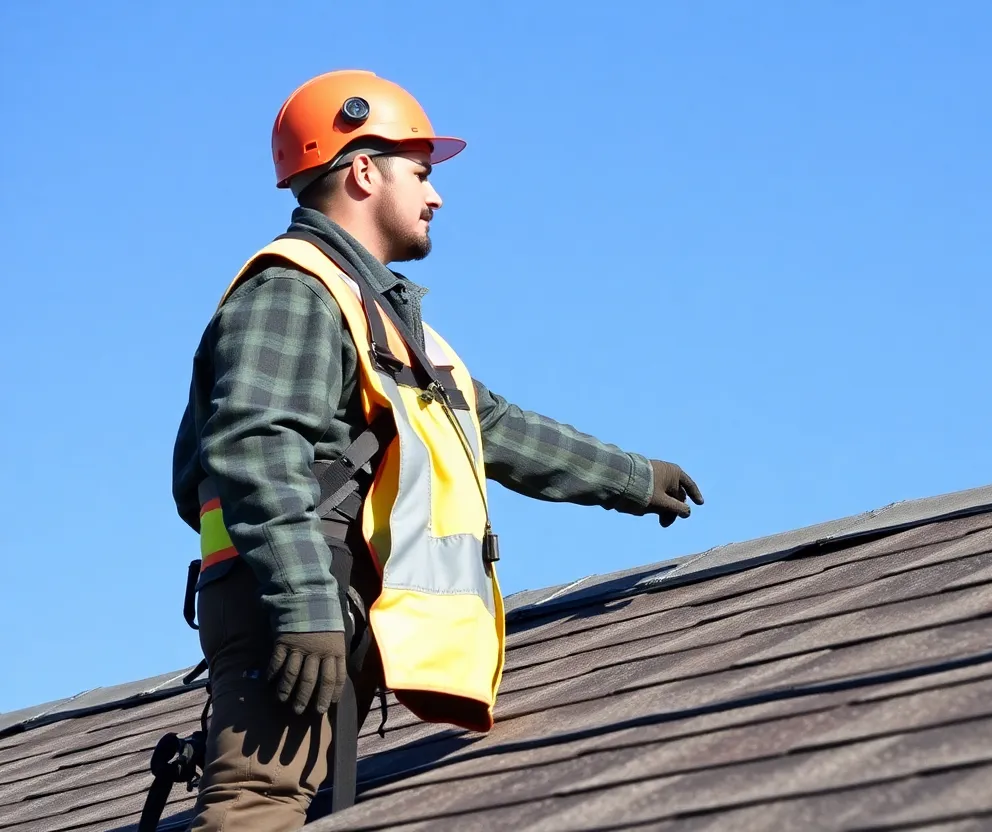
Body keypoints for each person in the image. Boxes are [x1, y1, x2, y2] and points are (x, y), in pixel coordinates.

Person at [170, 69, 704, 832]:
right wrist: (305, 602)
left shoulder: (386, 324)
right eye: (420, 173)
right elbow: (255, 446)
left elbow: (494, 427)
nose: (437, 195)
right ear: (361, 171)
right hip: (290, 592)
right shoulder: (292, 290)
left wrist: (632, 478)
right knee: (257, 804)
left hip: (339, 594)